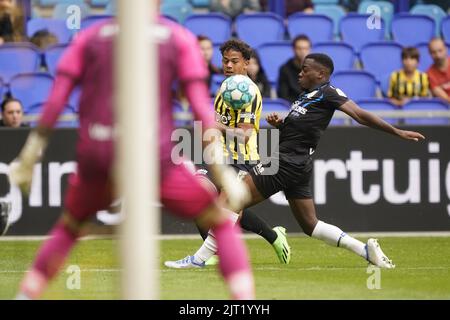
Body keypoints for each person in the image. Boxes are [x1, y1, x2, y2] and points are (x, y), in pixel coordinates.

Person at [10, 17, 255, 300]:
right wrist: (222, 171)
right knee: (221, 222)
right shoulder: (177, 38)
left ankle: (25, 296)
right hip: (152, 156)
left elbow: (55, 100)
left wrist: (29, 155)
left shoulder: (89, 37)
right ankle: (244, 301)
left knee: (68, 228)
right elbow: (200, 107)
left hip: (99, 154)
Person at [175, 53, 426, 270]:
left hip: (285, 162)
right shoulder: (305, 96)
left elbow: (360, 114)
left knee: (231, 199)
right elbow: (301, 130)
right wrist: (281, 125)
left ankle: (199, 259)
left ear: (321, 73)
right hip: (297, 165)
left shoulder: (328, 93)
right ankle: (365, 251)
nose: (300, 73)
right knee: (310, 225)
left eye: (305, 69)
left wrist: (398, 131)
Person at [165, 39, 291, 269]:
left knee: (225, 208)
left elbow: (243, 135)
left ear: (246, 64)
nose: (229, 66)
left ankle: (202, 259)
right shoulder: (227, 87)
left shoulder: (247, 93)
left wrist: (215, 125)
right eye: (225, 61)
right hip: (220, 156)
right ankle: (269, 237)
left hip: (242, 159)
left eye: (234, 61)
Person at [278, 34, 311, 102]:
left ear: (310, 49)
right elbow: (283, 96)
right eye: (299, 48)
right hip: (291, 108)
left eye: (305, 48)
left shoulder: (316, 69)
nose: (302, 52)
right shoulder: (285, 69)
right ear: (293, 49)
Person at [427, 38, 450, 104]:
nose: (438, 55)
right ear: (429, 54)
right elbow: (446, 99)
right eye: (433, 52)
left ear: (446, 49)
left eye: (440, 51)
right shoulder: (429, 74)